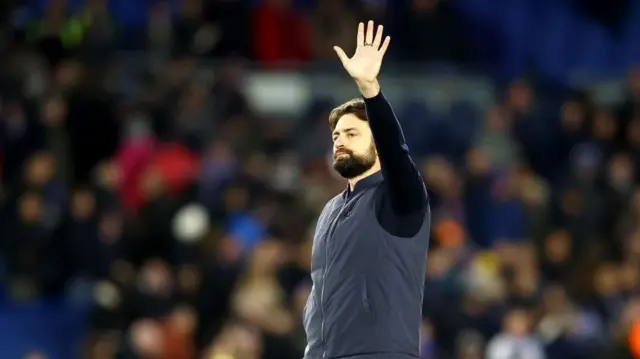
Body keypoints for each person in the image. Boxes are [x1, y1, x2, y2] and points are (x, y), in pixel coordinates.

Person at [303, 21, 431, 359]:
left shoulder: (399, 198)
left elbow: (396, 151)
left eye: (352, 134)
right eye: (336, 136)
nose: (340, 141)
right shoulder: (330, 210)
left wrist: (369, 90)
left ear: (377, 142)